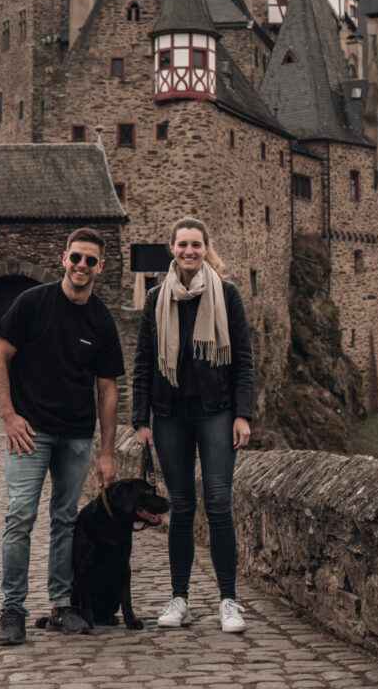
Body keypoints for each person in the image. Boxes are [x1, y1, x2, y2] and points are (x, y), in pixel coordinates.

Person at [0, 228, 125, 645]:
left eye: (90, 260)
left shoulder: (101, 319)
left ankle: (62, 605)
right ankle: (12, 610)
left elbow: (108, 389)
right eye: (76, 258)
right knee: (20, 518)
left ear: (100, 266)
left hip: (77, 436)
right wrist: (9, 417)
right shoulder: (31, 303)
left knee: (65, 521)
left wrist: (107, 454)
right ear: (63, 258)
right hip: (30, 434)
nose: (82, 266)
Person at [132, 217, 253, 633]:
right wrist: (140, 419)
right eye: (182, 244)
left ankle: (228, 601)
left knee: (219, 503)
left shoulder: (227, 294)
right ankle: (179, 598)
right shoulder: (155, 299)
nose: (189, 251)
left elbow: (242, 360)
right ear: (172, 248)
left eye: (196, 245)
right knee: (181, 507)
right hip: (169, 414)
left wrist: (243, 414)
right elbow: (145, 362)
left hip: (215, 409)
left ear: (206, 248)